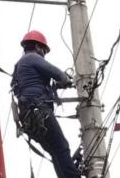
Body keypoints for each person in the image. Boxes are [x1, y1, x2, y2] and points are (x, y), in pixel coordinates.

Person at [11, 30, 79, 178]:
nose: (43, 54)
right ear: (36, 46)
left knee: (55, 152)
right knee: (61, 148)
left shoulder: (20, 66)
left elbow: (36, 85)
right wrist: (67, 80)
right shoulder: (32, 58)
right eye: (43, 50)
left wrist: (60, 85)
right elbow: (58, 74)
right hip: (39, 111)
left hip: (29, 119)